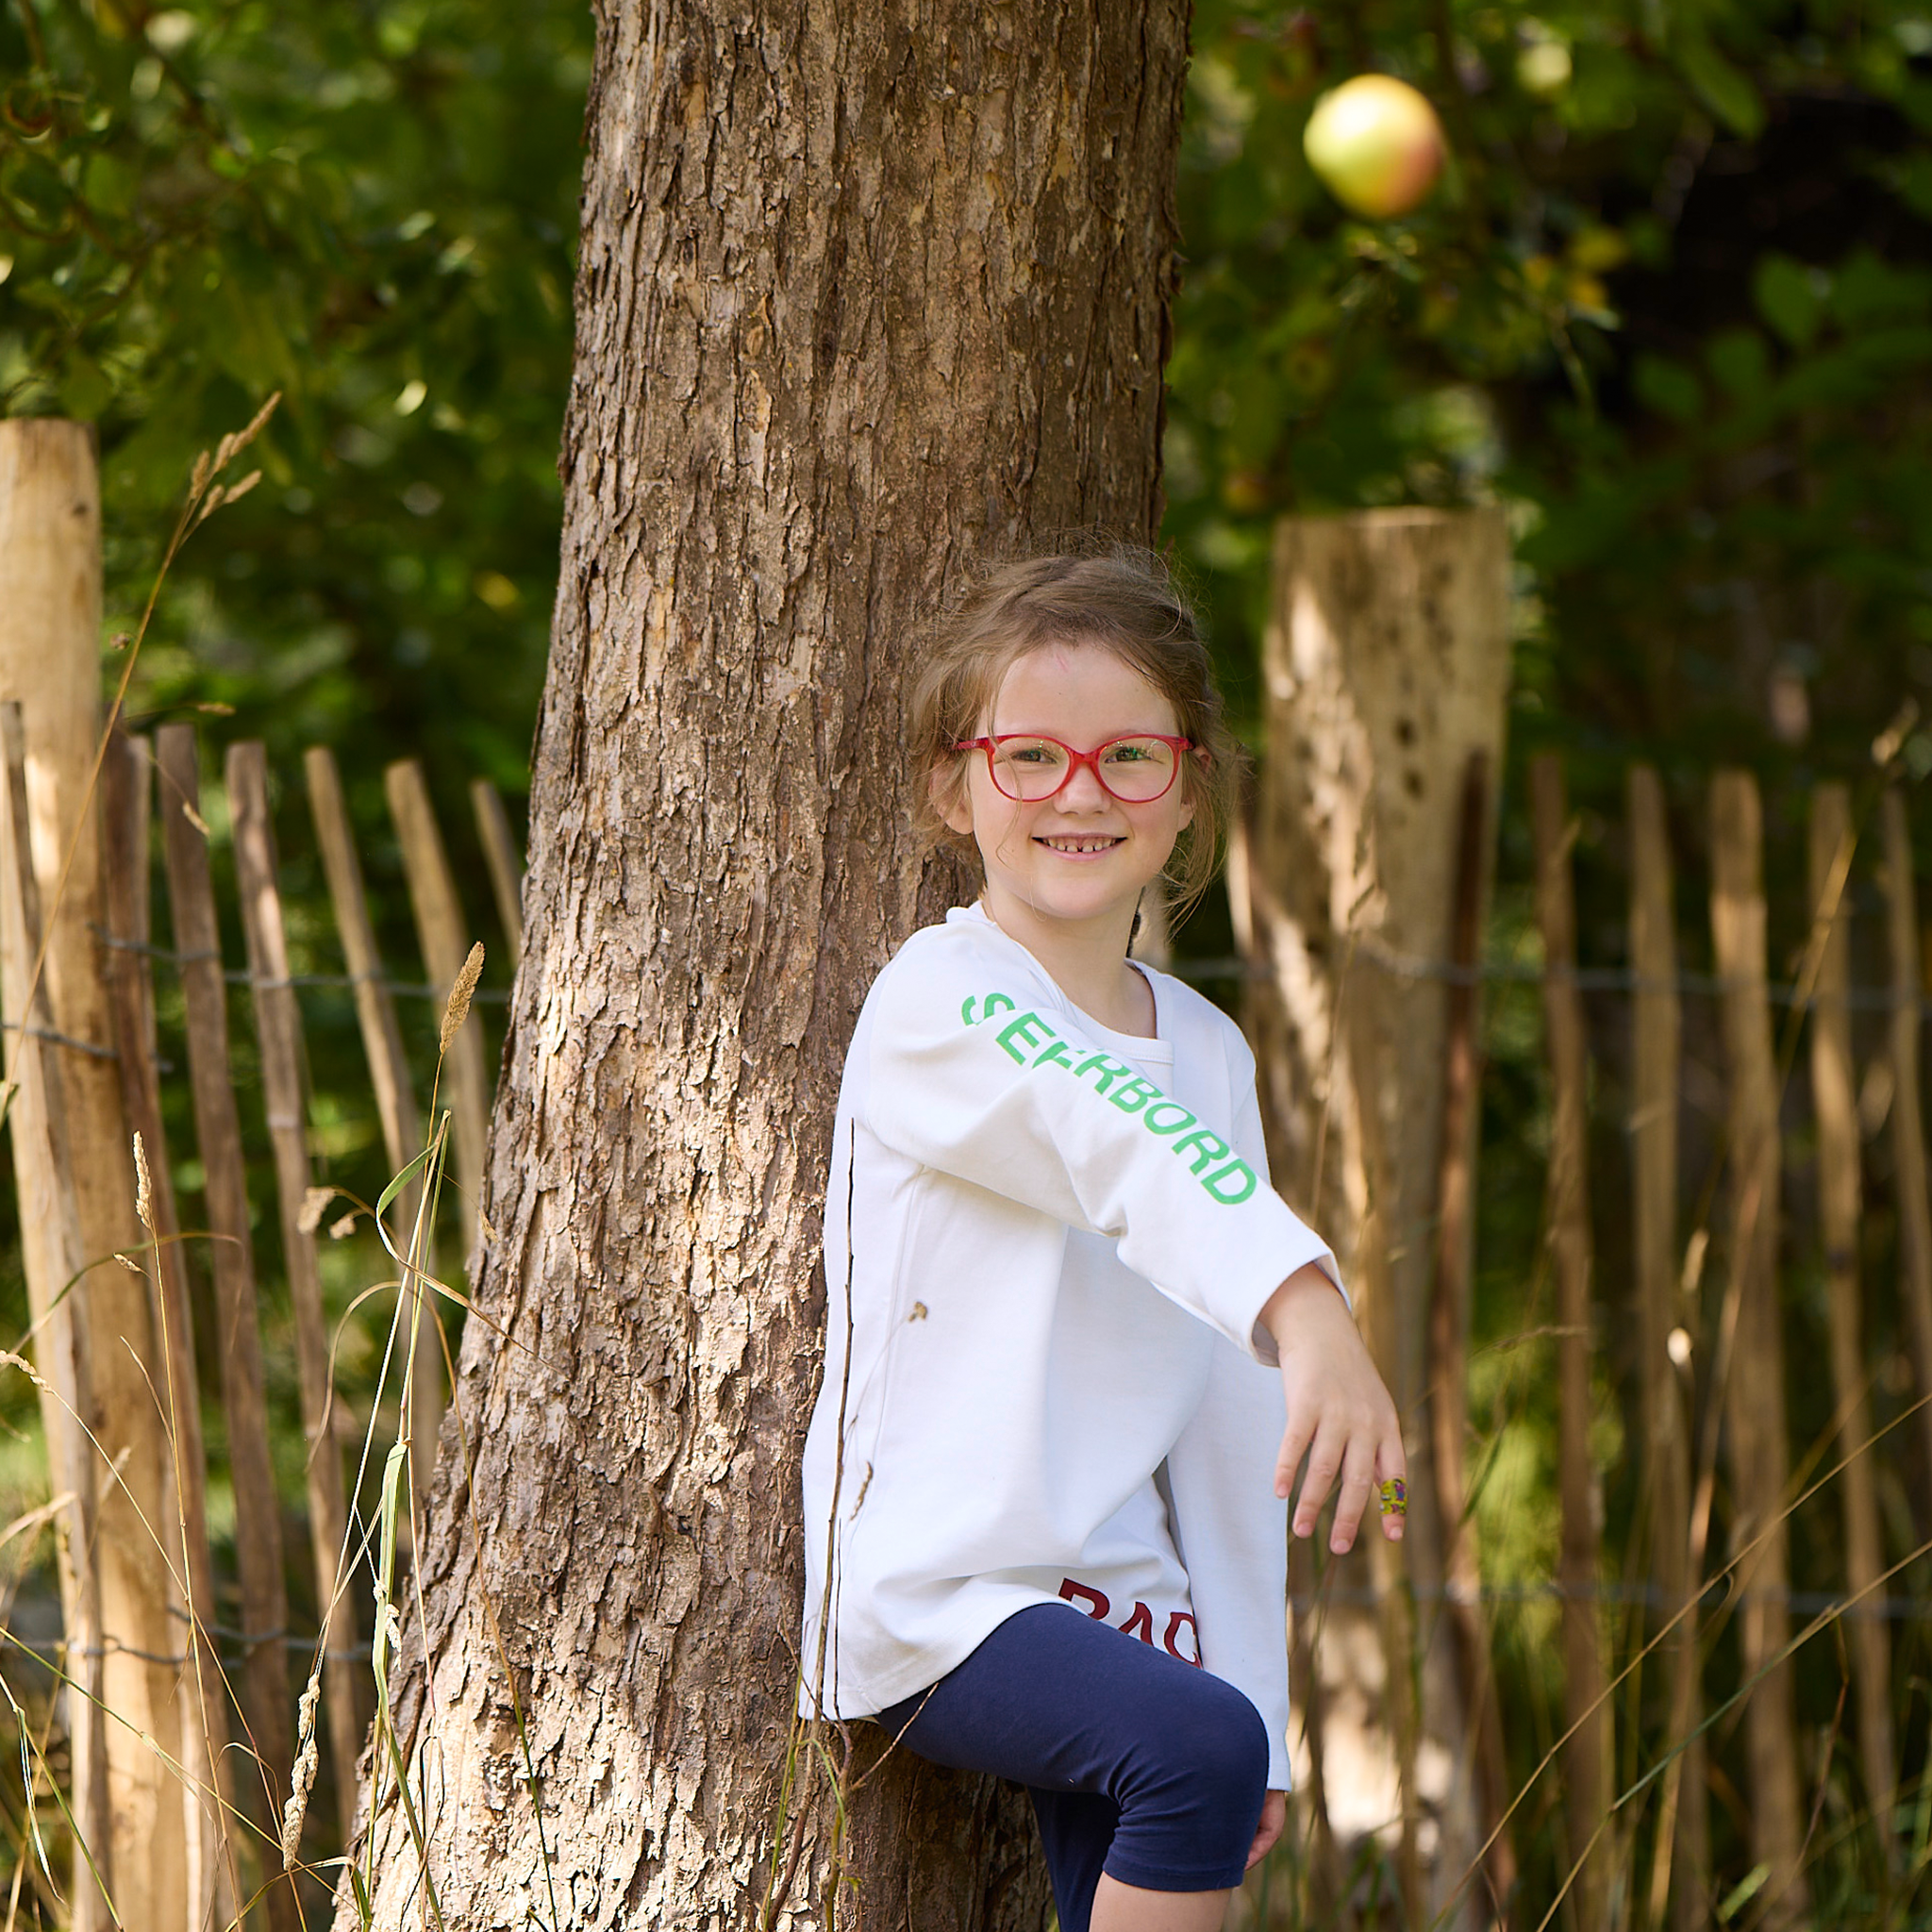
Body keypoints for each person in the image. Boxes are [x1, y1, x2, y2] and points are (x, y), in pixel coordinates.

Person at [799, 549, 1407, 1932]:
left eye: (1130, 756)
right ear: (956, 787)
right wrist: (1311, 1303)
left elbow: (1225, 1397)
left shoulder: (1205, 1047)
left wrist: (1253, 1697)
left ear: (1189, 788)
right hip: (941, 1591)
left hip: (1122, 1603)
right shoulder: (943, 997)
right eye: (1032, 756)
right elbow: (1115, 1141)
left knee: (1201, 1748)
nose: (1082, 792)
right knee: (1187, 1747)